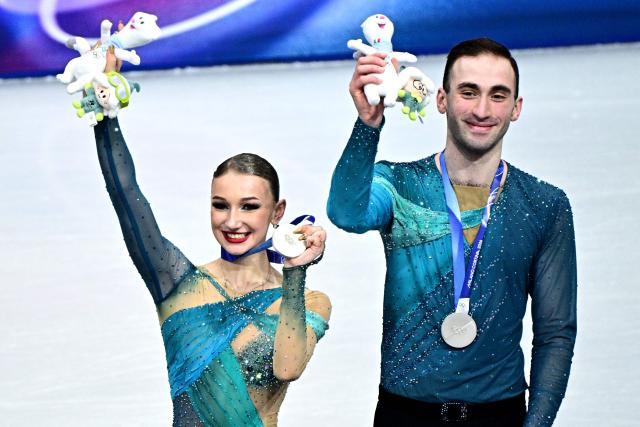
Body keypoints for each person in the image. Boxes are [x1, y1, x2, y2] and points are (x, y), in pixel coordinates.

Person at [327, 37, 576, 426]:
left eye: (498, 95)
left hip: (499, 415)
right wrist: (368, 125)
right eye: (468, 92)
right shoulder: (400, 185)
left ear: (516, 108)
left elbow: (556, 333)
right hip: (403, 415)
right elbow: (346, 212)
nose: (481, 109)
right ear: (442, 100)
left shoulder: (545, 205)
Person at [92, 112, 331, 425]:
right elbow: (126, 196)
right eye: (221, 205)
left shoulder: (310, 302)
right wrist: (104, 116)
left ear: (277, 211)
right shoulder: (176, 283)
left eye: (249, 206)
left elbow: (288, 368)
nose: (232, 221)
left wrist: (295, 272)